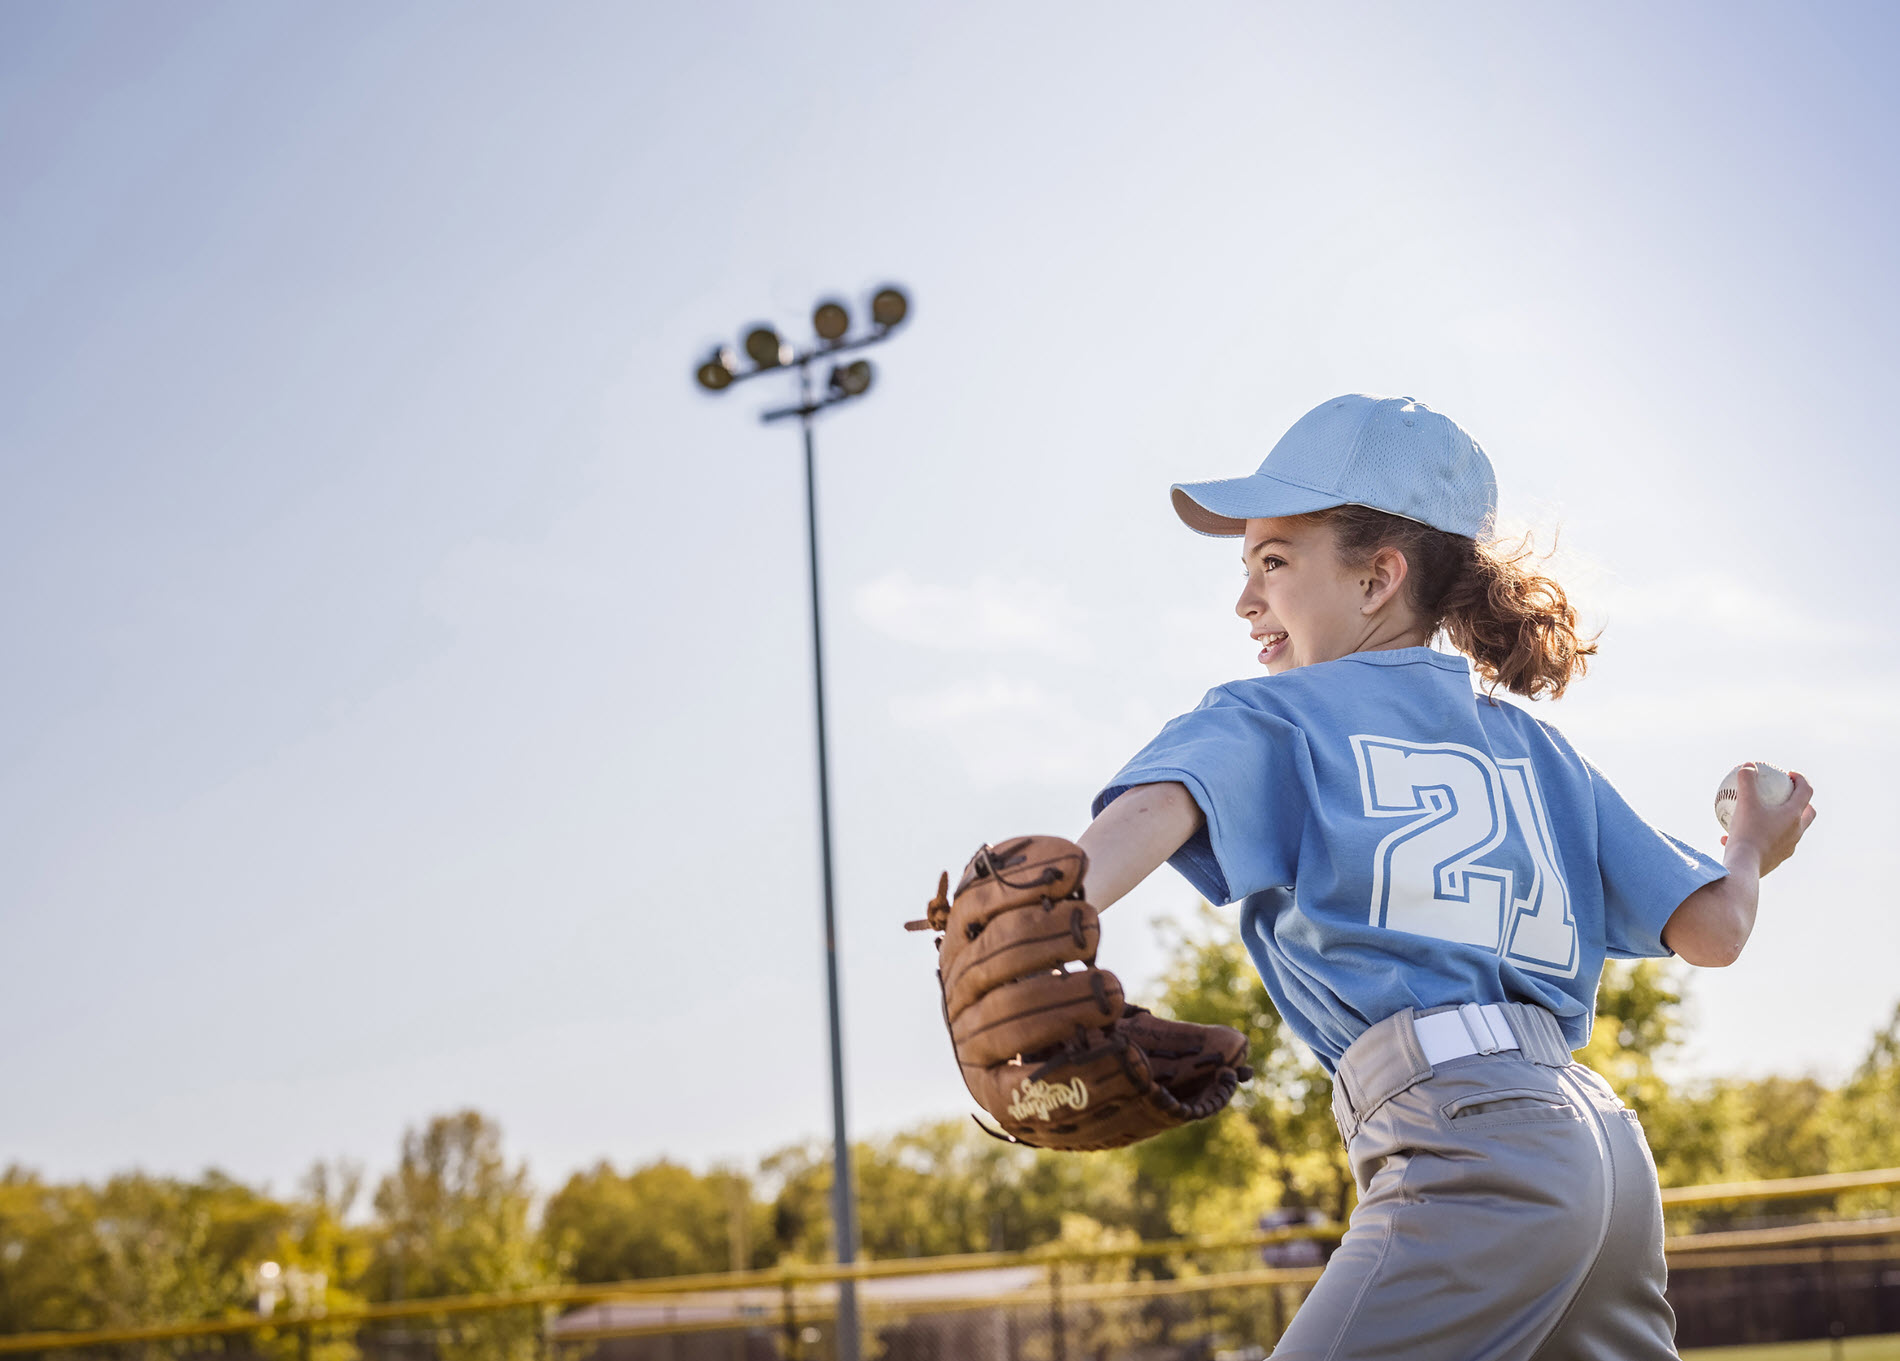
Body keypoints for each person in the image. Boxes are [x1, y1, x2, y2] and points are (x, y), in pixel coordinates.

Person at [1074, 394, 1817, 1361]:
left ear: (1380, 577)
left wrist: (1030, 913)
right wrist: (1753, 845)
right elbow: (1716, 929)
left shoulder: (1276, 716)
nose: (1246, 599)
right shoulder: (1535, 748)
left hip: (1464, 1146)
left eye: (1274, 560)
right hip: (1599, 1151)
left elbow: (1134, 828)